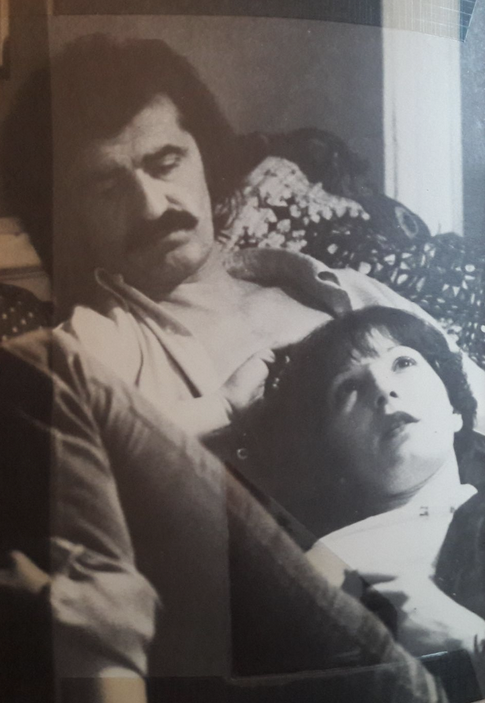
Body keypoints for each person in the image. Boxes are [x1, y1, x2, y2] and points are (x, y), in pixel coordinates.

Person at [0, 32, 482, 700]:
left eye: (165, 161)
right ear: (69, 213)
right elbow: (73, 492)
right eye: (108, 187)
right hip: (321, 615)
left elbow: (472, 397)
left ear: (203, 154)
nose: (152, 206)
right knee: (42, 373)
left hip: (458, 573)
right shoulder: (97, 347)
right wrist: (223, 408)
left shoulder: (337, 287)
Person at [237, 306, 485, 698]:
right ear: (333, 457)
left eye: (402, 363)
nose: (382, 388)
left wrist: (468, 639)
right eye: (348, 387)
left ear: (455, 409)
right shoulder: (324, 568)